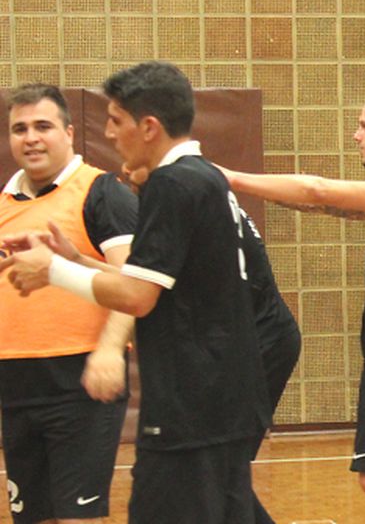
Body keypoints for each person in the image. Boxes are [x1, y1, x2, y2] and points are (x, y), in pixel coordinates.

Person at [1, 62, 269, 522]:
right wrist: (74, 260)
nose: (107, 132)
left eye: (116, 120)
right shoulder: (201, 177)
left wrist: (54, 272)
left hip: (193, 398)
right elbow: (155, 277)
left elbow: (138, 296)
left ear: (148, 127)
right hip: (218, 396)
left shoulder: (170, 184)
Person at [223, 80, 365, 523]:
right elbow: (321, 205)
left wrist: (228, 178)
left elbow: (319, 190)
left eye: (364, 125)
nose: (356, 134)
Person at [124, 163, 304, 524]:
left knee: (218, 473)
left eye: (132, 164)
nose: (126, 171)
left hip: (260, 340)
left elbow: (143, 295)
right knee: (223, 477)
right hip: (256, 339)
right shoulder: (200, 188)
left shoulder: (180, 192)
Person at [0, 84, 138, 524]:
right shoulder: (3, 205)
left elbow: (134, 282)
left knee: (78, 519)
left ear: (70, 133)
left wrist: (110, 350)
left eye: (43, 126)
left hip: (79, 383)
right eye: (19, 129)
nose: (31, 138)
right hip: (16, 386)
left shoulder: (101, 193)